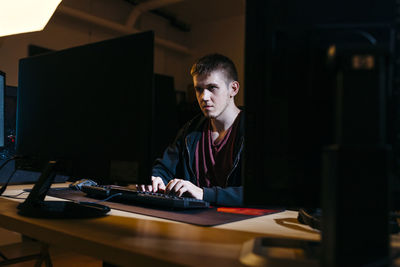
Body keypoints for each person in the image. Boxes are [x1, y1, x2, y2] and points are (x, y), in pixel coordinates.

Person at [141, 53, 244, 206]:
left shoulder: (258, 130)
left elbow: (263, 192)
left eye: (212, 88)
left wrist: (204, 194)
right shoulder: (190, 130)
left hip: (240, 222)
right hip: (194, 219)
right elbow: (163, 168)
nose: (204, 97)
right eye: (199, 89)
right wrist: (155, 179)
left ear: (233, 89)